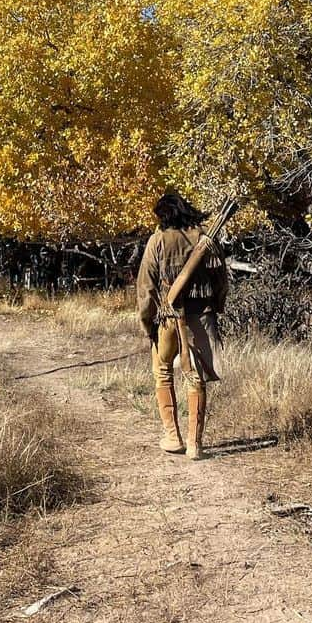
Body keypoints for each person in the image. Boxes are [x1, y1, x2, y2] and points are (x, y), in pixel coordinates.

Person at [136, 189, 228, 460]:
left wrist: (147, 324)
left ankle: (172, 436)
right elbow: (221, 279)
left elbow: (146, 286)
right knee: (196, 377)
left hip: (167, 318)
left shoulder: (158, 240)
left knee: (163, 371)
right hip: (201, 316)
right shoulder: (204, 238)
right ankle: (194, 445)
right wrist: (216, 308)